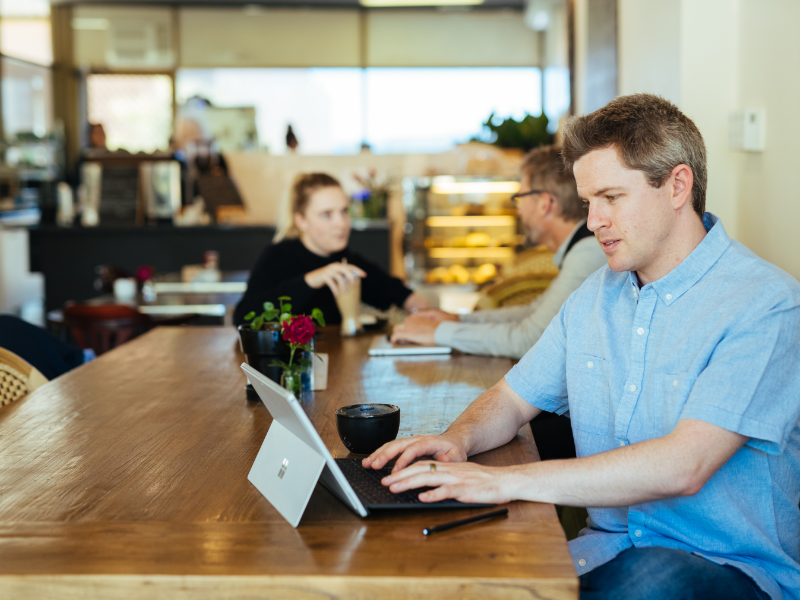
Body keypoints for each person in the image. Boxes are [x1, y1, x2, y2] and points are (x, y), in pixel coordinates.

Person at [363, 94, 800, 600]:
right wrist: (458, 440)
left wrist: (507, 481)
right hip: (604, 554)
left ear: (677, 185)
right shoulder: (595, 297)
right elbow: (510, 399)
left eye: (611, 198)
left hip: (730, 569)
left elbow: (685, 465)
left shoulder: (766, 304)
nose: (592, 222)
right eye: (589, 202)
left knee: (650, 581)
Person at [390, 145, 607, 360]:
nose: (518, 209)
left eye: (520, 197)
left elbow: (531, 338)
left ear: (544, 203)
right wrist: (457, 320)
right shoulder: (580, 249)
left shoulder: (587, 253)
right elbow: (531, 314)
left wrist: (438, 333)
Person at [234, 173, 429, 326]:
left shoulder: (346, 260)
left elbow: (398, 293)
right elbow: (243, 317)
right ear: (301, 221)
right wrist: (310, 280)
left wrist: (426, 314)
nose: (341, 224)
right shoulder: (277, 256)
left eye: (344, 212)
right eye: (327, 215)